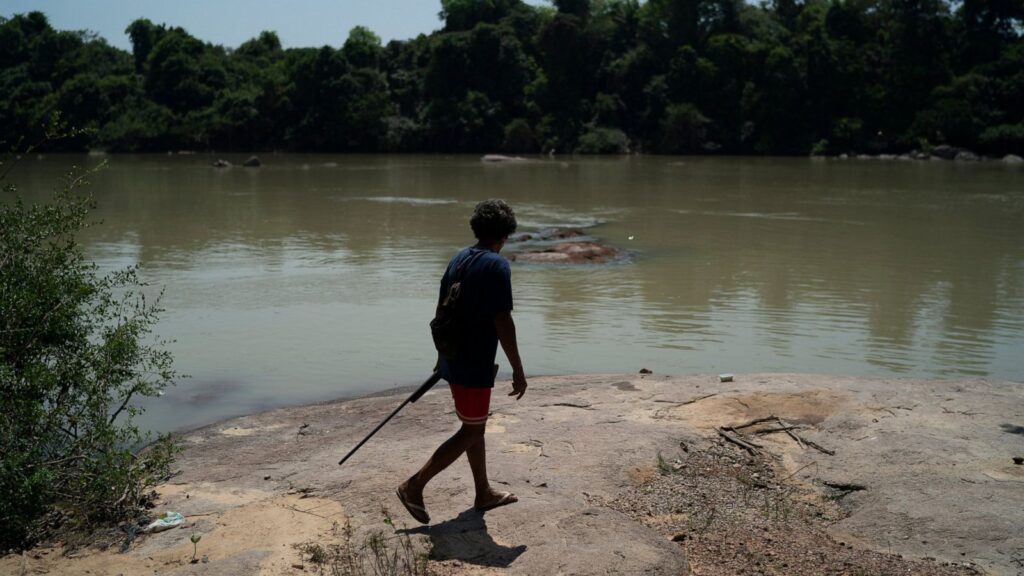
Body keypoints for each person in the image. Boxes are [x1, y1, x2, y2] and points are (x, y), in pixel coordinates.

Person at [396, 199, 528, 524]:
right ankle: (413, 485)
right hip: (473, 362)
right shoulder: (497, 266)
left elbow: (442, 311)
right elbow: (503, 321)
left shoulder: (459, 259)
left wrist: (441, 358)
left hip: (455, 358)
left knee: (474, 426)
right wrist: (518, 370)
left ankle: (483, 492)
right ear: (506, 234)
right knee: (471, 430)